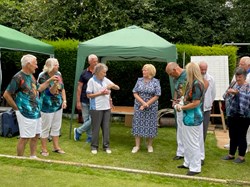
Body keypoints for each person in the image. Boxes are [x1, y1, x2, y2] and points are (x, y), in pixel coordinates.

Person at [3, 54, 58, 158]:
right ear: (28, 64)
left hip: (36, 111)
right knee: (25, 137)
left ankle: (33, 156)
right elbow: (6, 94)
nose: (37, 66)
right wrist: (16, 109)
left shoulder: (31, 76)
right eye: (35, 64)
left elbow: (39, 88)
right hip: (25, 112)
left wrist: (49, 81)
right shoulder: (18, 77)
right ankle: (19, 159)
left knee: (36, 135)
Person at [175, 62, 205, 176]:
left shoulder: (197, 84)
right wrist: (181, 102)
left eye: (187, 70)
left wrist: (181, 107)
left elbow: (196, 103)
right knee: (187, 141)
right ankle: (187, 162)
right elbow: (188, 99)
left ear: (191, 71)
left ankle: (196, 167)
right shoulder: (191, 83)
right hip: (188, 117)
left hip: (193, 118)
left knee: (193, 143)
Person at [86, 63, 120, 154]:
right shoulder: (91, 81)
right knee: (96, 128)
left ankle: (106, 146)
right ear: (97, 72)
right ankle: (94, 147)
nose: (105, 74)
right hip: (96, 108)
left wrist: (111, 86)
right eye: (103, 72)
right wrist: (101, 93)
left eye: (105, 72)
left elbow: (117, 87)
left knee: (106, 128)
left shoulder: (105, 79)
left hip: (107, 107)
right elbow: (89, 95)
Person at [38, 58, 67, 156]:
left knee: (56, 127)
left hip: (58, 105)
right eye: (56, 64)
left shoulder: (59, 74)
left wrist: (64, 100)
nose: (58, 66)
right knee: (45, 128)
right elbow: (49, 92)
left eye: (57, 64)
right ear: (50, 66)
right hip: (47, 106)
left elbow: (62, 88)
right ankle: (44, 149)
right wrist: (53, 82)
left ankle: (56, 147)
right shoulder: (43, 76)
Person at [222, 67, 250, 163]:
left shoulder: (248, 86)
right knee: (232, 135)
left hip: (244, 116)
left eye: (240, 77)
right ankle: (231, 154)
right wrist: (229, 93)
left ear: (244, 77)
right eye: (237, 76)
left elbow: (247, 100)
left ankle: (241, 156)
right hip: (232, 113)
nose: (238, 79)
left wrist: (237, 93)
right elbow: (224, 95)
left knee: (242, 136)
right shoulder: (233, 84)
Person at [131, 64, 161, 153]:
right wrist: (143, 103)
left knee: (151, 125)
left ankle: (150, 145)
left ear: (151, 71)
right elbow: (135, 92)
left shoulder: (156, 81)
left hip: (151, 107)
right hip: (139, 106)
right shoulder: (139, 80)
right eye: (143, 70)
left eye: (145, 70)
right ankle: (137, 146)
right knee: (137, 124)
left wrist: (146, 104)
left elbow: (157, 95)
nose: (143, 71)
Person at [74, 54, 98, 143]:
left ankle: (78, 130)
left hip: (95, 100)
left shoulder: (99, 73)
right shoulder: (84, 73)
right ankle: (90, 137)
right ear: (89, 62)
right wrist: (78, 101)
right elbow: (79, 87)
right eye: (94, 61)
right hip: (84, 99)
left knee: (93, 119)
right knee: (87, 119)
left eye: (96, 61)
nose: (96, 63)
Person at [165, 62, 186, 160]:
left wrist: (183, 99)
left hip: (186, 106)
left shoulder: (187, 74)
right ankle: (180, 152)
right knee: (179, 129)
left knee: (186, 129)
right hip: (178, 106)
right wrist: (174, 100)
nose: (170, 76)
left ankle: (187, 151)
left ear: (175, 70)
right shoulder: (175, 78)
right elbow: (176, 90)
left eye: (170, 74)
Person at [199, 61, 216, 141]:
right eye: (201, 69)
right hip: (197, 106)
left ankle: (202, 144)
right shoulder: (195, 78)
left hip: (206, 107)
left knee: (204, 127)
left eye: (205, 69)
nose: (203, 71)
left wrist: (209, 103)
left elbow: (213, 93)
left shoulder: (211, 79)